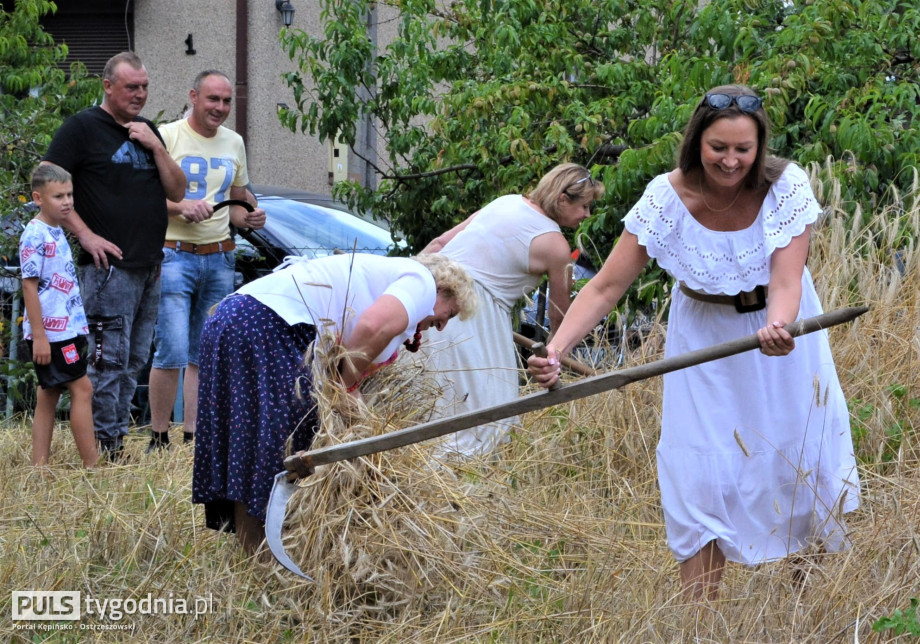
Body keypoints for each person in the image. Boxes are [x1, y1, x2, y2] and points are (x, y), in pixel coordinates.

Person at [527, 85, 861, 600]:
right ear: (696, 144)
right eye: (718, 148)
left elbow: (788, 280)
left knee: (800, 464)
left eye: (742, 150)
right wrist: (556, 349)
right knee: (701, 473)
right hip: (703, 341)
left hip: (780, 341)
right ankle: (699, 623)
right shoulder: (666, 197)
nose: (730, 161)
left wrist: (779, 327)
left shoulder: (785, 186)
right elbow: (606, 286)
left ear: (760, 147)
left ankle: (804, 611)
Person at [192, 252, 478, 553]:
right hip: (266, 326)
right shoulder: (422, 283)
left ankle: (252, 555)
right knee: (281, 446)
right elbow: (372, 327)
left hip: (234, 319)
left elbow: (353, 347)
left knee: (249, 445)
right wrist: (342, 389)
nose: (443, 325)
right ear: (443, 290)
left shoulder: (388, 281)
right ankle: (262, 555)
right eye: (452, 312)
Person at [43, 51, 186, 462]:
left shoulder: (147, 130)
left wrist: (156, 146)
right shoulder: (83, 128)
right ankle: (106, 447)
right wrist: (86, 235)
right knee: (108, 361)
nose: (139, 95)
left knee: (135, 359)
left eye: (144, 87)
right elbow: (46, 181)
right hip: (109, 270)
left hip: (148, 266)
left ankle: (117, 438)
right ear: (108, 86)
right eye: (131, 88)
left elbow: (176, 192)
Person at [421, 163, 604, 458]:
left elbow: (440, 243)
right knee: (482, 422)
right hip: (472, 319)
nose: (586, 215)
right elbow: (561, 318)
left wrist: (409, 293)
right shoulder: (556, 246)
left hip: (430, 300)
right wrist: (555, 366)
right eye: (584, 206)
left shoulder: (505, 202)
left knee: (426, 409)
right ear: (562, 200)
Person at [146, 70, 267, 454]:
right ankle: (159, 437)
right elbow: (143, 198)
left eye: (227, 101)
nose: (220, 108)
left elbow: (234, 199)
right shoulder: (168, 135)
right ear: (194, 96)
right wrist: (180, 207)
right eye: (213, 99)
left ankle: (193, 437)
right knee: (173, 348)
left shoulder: (234, 142)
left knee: (205, 350)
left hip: (219, 257)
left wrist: (250, 215)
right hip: (173, 253)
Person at [19, 164, 99, 468]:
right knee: (83, 388)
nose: (66, 201)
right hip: (52, 333)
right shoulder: (34, 234)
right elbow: (29, 285)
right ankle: (92, 466)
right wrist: (39, 336)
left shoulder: (56, 229)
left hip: (69, 326)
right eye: (58, 196)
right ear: (38, 198)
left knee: (48, 392)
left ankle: (38, 467)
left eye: (69, 194)